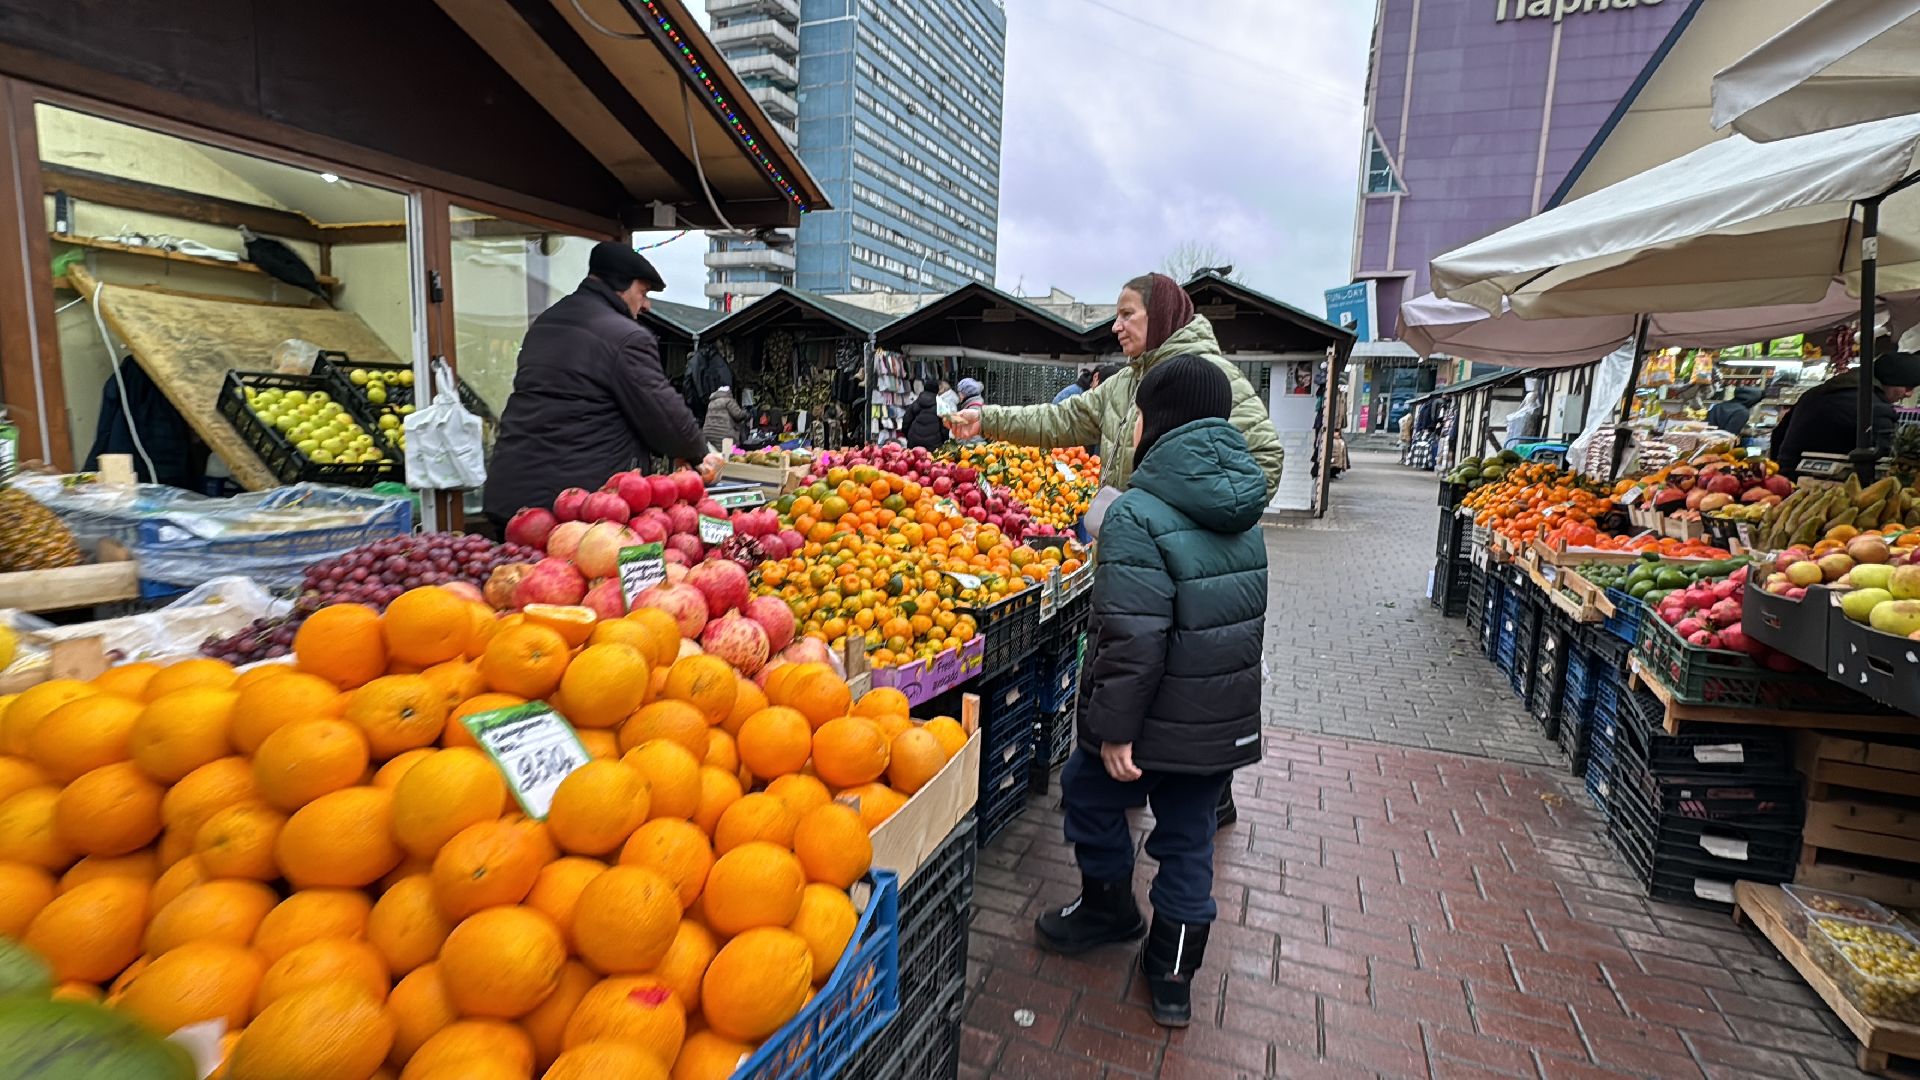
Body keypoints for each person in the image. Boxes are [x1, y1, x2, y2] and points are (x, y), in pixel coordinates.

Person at [945, 272, 1281, 827]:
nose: (1116, 324)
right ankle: (1166, 799)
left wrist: (1193, 524)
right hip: (1132, 562)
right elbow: (1060, 418)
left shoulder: (1211, 377)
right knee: (1139, 673)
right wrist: (991, 421)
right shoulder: (1126, 384)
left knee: (1182, 686)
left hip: (1187, 574)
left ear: (1163, 316)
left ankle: (1199, 797)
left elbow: (1264, 459)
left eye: (1128, 314)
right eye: (1117, 315)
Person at [1033, 355, 1267, 1029]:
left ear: (1152, 424)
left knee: (1087, 787)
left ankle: (1109, 907)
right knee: (1189, 842)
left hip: (1147, 719)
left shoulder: (1138, 511)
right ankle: (1172, 977)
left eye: (1135, 413)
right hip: (1216, 721)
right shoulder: (1244, 508)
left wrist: (1113, 728)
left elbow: (1132, 636)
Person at [483, 242, 715, 527]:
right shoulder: (627, 337)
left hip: (511, 494)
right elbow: (667, 419)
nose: (646, 305)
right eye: (642, 293)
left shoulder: (547, 323)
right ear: (620, 285)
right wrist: (699, 453)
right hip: (570, 509)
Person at [1771, 352, 1920, 477]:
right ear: (1891, 381)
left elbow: (1778, 434)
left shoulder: (1815, 393)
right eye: (1908, 387)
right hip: (1824, 490)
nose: (1909, 394)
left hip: (1786, 477)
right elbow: (1889, 458)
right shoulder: (1872, 407)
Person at [899, 378, 947, 451]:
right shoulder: (941, 406)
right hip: (933, 445)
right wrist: (943, 441)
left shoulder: (915, 403)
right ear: (937, 391)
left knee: (913, 461)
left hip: (914, 443)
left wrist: (909, 436)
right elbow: (945, 428)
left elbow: (906, 422)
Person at [702, 384, 746, 451]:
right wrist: (745, 413)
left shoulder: (711, 402)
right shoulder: (729, 401)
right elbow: (738, 415)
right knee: (726, 456)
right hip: (724, 434)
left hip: (709, 433)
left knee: (714, 454)